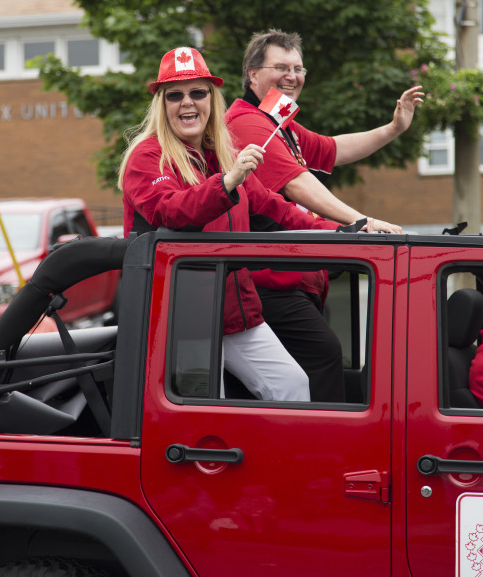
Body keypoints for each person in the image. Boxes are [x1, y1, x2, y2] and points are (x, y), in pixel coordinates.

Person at [118, 46, 340, 404]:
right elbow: (172, 210)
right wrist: (227, 181)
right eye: (175, 95)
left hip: (238, 314)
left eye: (198, 93)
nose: (187, 103)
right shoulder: (147, 156)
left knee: (293, 387)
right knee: (203, 413)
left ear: (212, 98)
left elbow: (275, 209)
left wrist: (344, 234)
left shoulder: (224, 154)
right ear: (161, 105)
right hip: (181, 320)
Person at [225, 29, 425, 402]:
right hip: (266, 282)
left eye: (298, 68)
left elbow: (333, 148)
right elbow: (297, 184)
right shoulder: (248, 122)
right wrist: (360, 223)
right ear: (252, 74)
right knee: (323, 357)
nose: (292, 76)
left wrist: (394, 127)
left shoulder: (276, 121)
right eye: (280, 67)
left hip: (287, 281)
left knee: (293, 375)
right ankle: (324, 452)